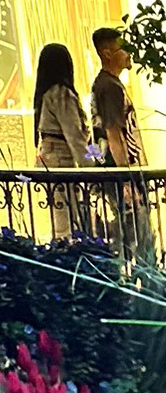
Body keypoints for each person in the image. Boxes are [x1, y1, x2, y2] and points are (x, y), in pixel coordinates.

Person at [91, 26, 144, 252]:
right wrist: (127, 179)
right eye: (123, 49)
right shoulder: (110, 87)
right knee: (136, 237)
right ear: (107, 54)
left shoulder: (104, 84)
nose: (128, 53)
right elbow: (113, 134)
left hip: (112, 173)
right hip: (119, 173)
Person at [33, 42, 93, 239]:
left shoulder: (45, 95)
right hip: (61, 159)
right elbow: (75, 136)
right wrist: (94, 167)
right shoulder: (61, 94)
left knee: (59, 217)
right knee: (68, 221)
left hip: (48, 157)